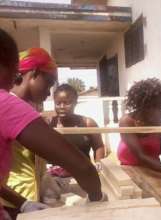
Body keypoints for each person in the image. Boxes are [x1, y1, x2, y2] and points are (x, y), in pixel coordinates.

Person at [0, 32, 101, 219]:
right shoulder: (8, 106)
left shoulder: (25, 109)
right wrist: (99, 200)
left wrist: (24, 203)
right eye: (48, 83)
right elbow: (82, 167)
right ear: (34, 74)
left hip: (16, 201)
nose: (49, 92)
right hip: (14, 200)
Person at [48, 83, 105, 177]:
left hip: (83, 175)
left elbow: (98, 146)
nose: (62, 107)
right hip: (55, 176)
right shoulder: (49, 125)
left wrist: (98, 165)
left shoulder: (88, 124)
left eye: (66, 103)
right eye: (58, 103)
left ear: (75, 103)